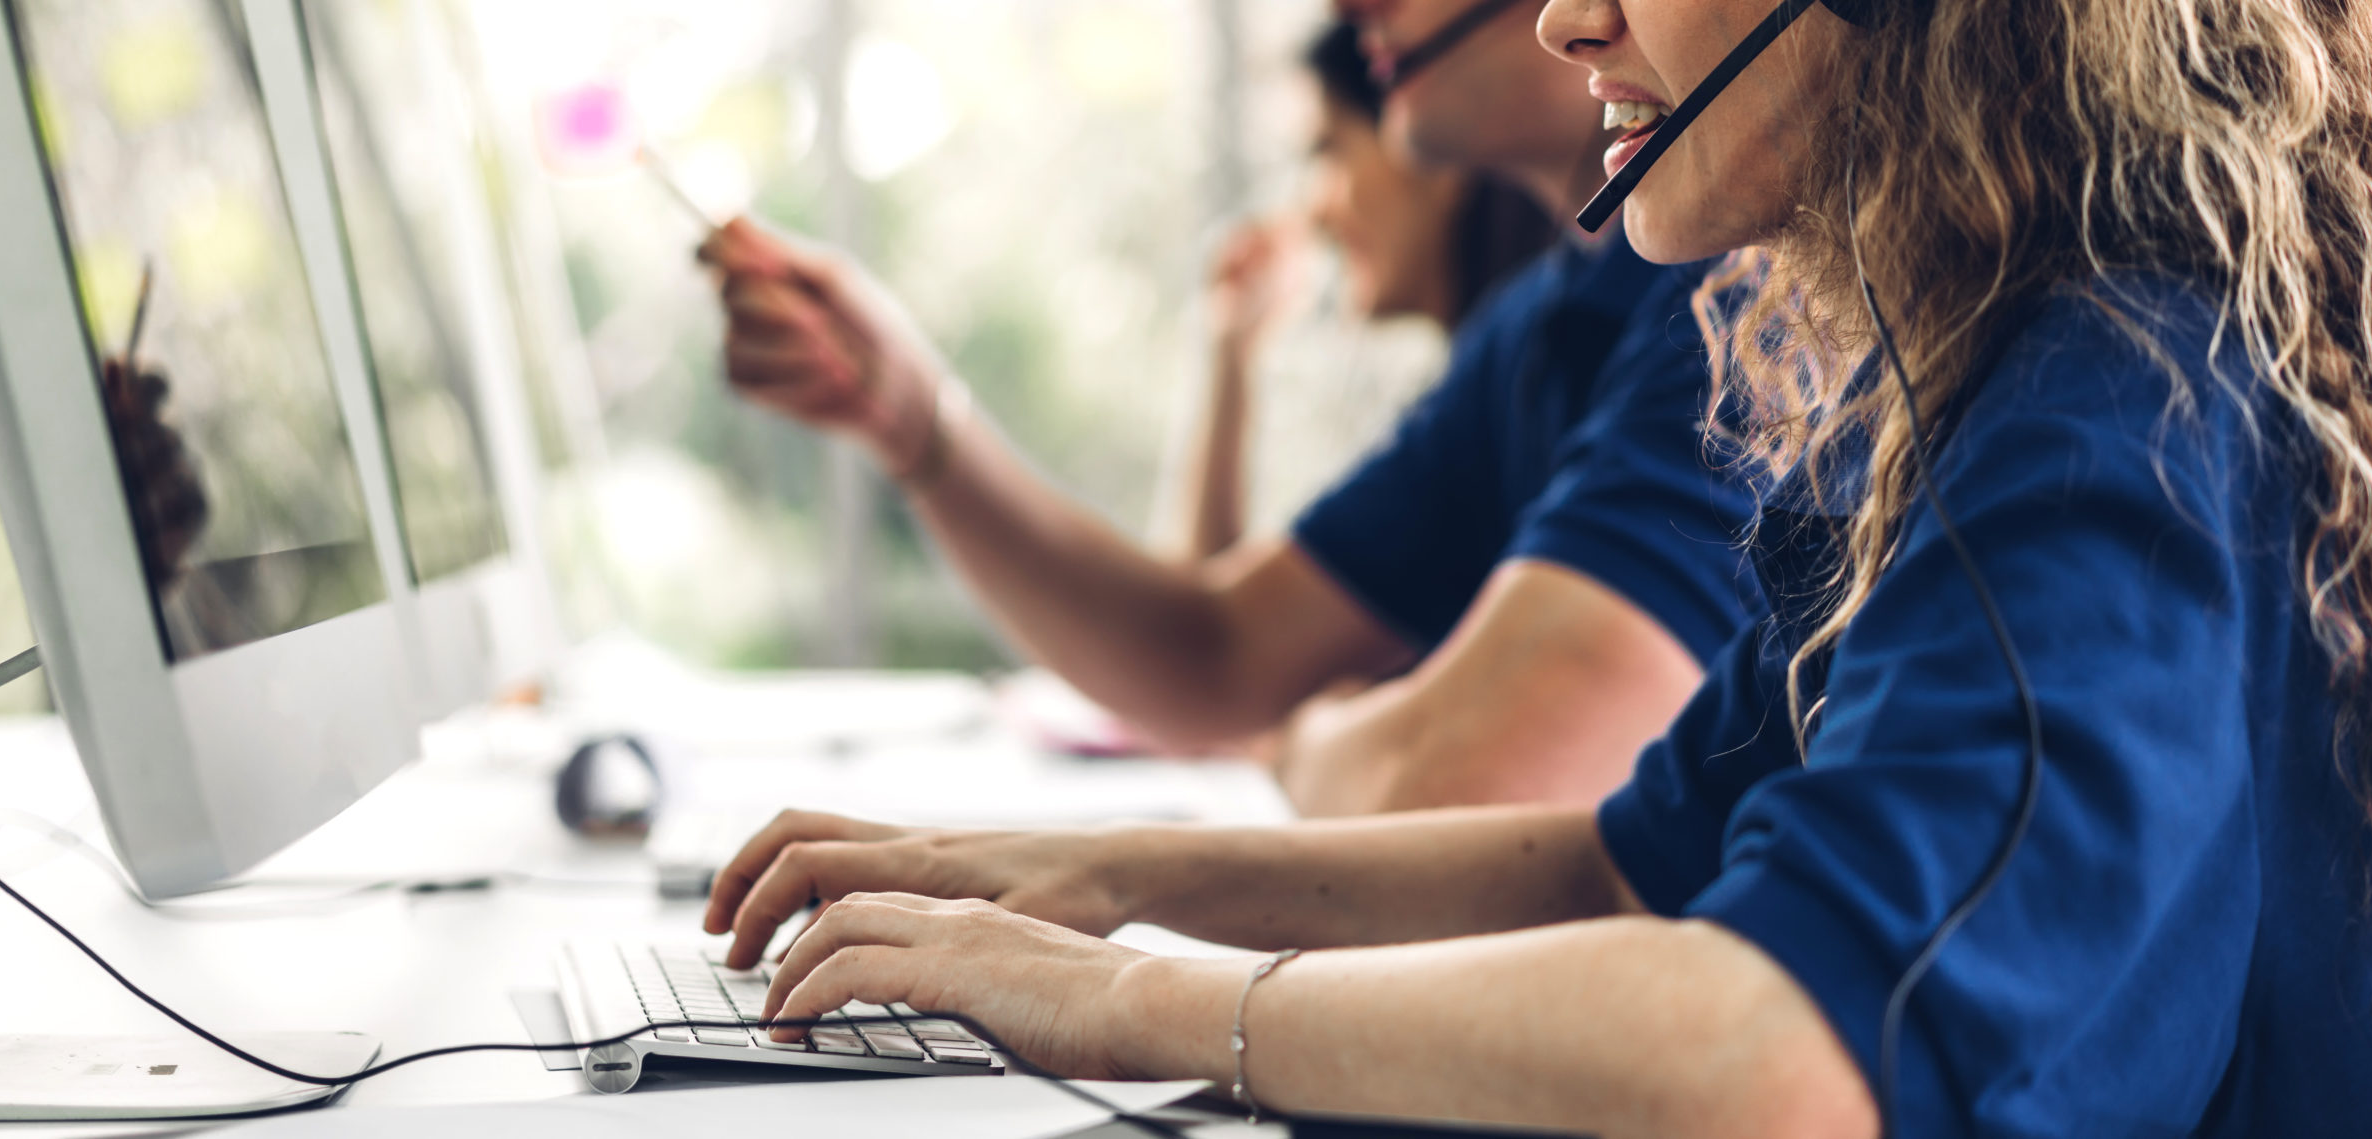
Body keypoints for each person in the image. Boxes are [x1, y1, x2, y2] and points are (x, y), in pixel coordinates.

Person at [691, 0, 2372, 1133]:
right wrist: (1063, 878)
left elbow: (1784, 1054)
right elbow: (1628, 867)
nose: (1564, 16)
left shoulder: (2117, 398)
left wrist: (1142, 997)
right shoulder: (1964, 373)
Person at [704, 0, 1755, 817]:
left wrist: (1290, 737)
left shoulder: (1734, 309)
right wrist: (908, 415)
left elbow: (1470, 780)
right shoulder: (1535, 328)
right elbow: (1213, 652)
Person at [1161, 22, 1554, 561]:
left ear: (1433, 155)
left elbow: (1219, 636)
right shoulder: (1476, 402)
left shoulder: (1523, 404)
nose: (1313, 211)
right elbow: (1229, 620)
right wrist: (1232, 356)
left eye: (1330, 150)